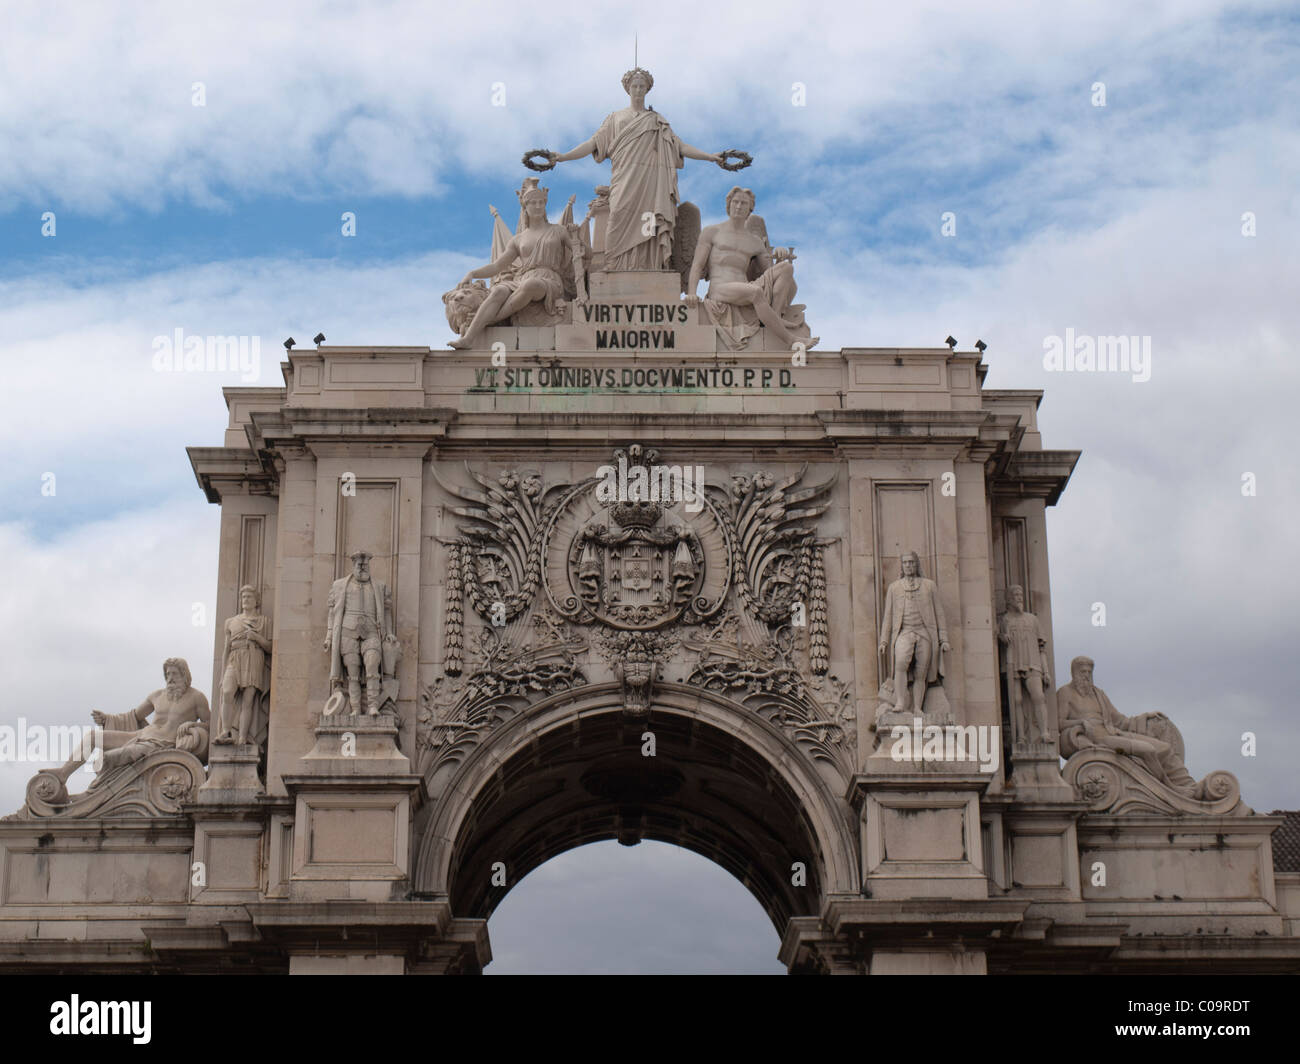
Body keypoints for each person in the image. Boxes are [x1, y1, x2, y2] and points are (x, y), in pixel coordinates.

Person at [541, 68, 731, 270]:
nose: (638, 90)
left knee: (648, 221)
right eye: (634, 86)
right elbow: (593, 143)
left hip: (650, 182)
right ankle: (614, 263)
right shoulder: (615, 118)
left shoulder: (656, 120)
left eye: (642, 86)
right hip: (624, 178)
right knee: (617, 217)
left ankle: (649, 265)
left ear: (647, 89)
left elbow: (680, 146)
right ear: (627, 89)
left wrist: (710, 157)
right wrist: (563, 157)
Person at [447, 183, 584, 349]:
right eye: (533, 203)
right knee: (498, 290)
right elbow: (497, 266)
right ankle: (468, 339)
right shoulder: (518, 239)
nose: (538, 206)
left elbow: (586, 253)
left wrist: (577, 239)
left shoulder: (559, 231)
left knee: (530, 285)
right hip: (523, 278)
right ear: (525, 207)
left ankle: (489, 320)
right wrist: (472, 273)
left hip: (549, 281)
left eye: (541, 202)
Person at [685, 186, 817, 350]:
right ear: (728, 204)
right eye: (735, 202)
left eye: (743, 203)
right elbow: (697, 265)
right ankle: (791, 340)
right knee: (755, 292)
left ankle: (773, 317)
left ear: (750, 208)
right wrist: (692, 293)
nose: (738, 206)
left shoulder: (754, 241)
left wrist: (779, 255)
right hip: (720, 289)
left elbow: (769, 274)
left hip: (745, 288)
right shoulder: (712, 232)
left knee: (786, 268)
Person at [50, 658, 209, 783]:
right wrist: (106, 718)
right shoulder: (157, 695)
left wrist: (192, 724)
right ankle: (63, 773)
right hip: (141, 736)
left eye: (174, 673)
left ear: (184, 674)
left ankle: (96, 796)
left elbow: (211, 725)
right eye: (167, 674)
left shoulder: (196, 698)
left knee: (105, 760)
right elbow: (133, 716)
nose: (170, 678)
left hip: (161, 744)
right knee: (92, 737)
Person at [1057, 656, 1197, 793]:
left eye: (1089, 672)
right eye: (1083, 672)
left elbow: (1120, 721)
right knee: (1147, 749)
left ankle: (1190, 787)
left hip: (1114, 733)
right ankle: (1169, 789)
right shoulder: (1065, 693)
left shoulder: (1098, 694)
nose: (1086, 676)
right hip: (1097, 739)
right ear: (1074, 673)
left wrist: (1145, 716)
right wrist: (1080, 722)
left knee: (1164, 748)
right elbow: (1059, 723)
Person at [324, 550, 397, 715]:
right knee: (353, 672)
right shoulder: (340, 585)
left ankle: (373, 705)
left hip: (372, 631)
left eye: (365, 565)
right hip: (347, 632)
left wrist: (389, 632)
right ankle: (355, 708)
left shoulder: (379, 586)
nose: (363, 568)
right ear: (354, 565)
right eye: (360, 565)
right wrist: (329, 636)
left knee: (372, 665)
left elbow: (387, 612)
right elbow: (332, 613)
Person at [878, 551, 950, 715]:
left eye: (911, 562)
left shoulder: (929, 585)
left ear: (916, 564)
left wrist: (943, 639)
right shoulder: (894, 588)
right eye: (905, 563)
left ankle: (917, 707)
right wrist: (884, 641)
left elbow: (939, 613)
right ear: (902, 566)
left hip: (924, 633)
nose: (909, 565)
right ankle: (901, 701)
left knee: (921, 672)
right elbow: (888, 616)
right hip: (904, 632)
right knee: (900, 663)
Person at [214, 585, 271, 746]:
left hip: (254, 656)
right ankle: (225, 731)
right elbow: (225, 649)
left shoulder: (264, 621)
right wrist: (223, 672)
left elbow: (270, 647)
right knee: (227, 692)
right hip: (234, 657)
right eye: (243, 597)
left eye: (249, 597)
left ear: (256, 601)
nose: (245, 600)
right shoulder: (230, 622)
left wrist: (256, 637)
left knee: (248, 699)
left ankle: (242, 738)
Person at [999, 585, 1052, 743]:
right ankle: (1021, 736)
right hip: (1013, 663)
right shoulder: (1005, 620)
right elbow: (1001, 637)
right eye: (1015, 595)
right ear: (1008, 599)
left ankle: (1044, 733)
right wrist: (1002, 637)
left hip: (1033, 663)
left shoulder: (1032, 619)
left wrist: (1046, 671)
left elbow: (1041, 647)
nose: (1019, 597)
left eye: (1021, 594)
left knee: (1038, 696)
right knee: (1016, 700)